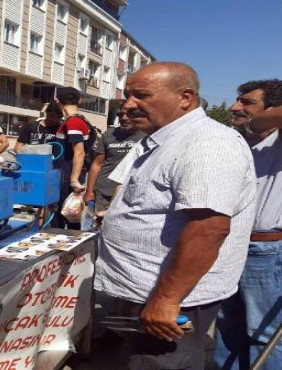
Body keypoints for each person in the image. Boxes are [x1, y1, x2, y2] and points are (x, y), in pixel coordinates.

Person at [95, 62, 256, 369]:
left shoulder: (207, 144)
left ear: (185, 97)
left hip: (176, 295)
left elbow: (209, 229)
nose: (129, 104)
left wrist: (167, 300)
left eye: (141, 95)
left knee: (159, 363)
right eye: (128, 95)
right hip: (152, 288)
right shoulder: (160, 139)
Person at [214, 80, 282, 370]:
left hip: (265, 250)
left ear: (272, 109)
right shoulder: (241, 143)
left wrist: (255, 123)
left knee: (266, 332)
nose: (236, 107)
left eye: (247, 102)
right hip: (230, 245)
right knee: (227, 326)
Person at [83, 110, 146, 213]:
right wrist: (89, 191)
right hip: (104, 191)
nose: (124, 118)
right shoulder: (109, 135)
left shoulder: (146, 136)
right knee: (100, 225)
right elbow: (97, 164)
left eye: (129, 114)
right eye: (120, 114)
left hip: (131, 193)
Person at [54, 86, 98, 229]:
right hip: (66, 174)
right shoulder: (78, 120)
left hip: (67, 176)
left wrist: (73, 180)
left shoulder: (73, 122)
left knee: (67, 218)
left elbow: (79, 152)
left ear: (57, 101)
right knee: (68, 216)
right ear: (79, 101)